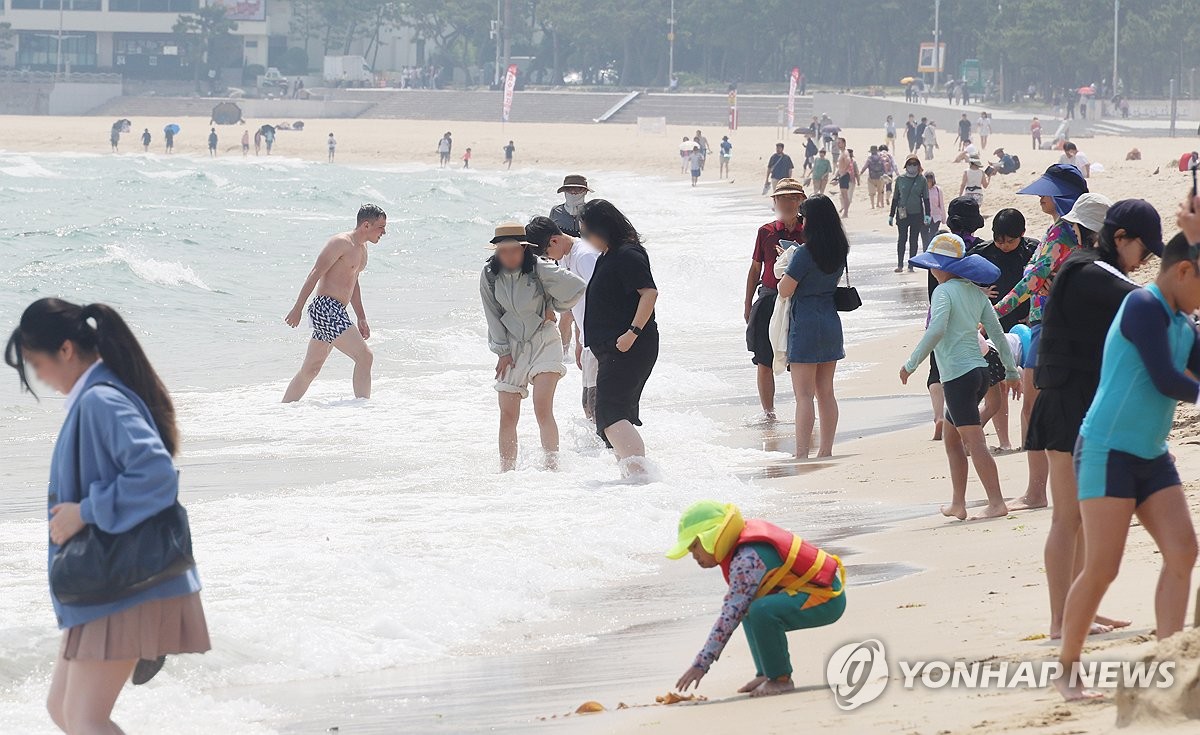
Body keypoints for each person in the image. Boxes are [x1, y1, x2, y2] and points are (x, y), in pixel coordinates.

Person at [5, 298, 210, 734]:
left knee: (84, 719)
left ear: (65, 350)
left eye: (37, 364)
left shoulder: (100, 400)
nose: (39, 377)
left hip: (123, 582)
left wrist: (85, 512)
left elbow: (156, 473)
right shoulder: (95, 397)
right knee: (62, 709)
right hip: (105, 582)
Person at [1056, 206, 1200, 701]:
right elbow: (1166, 378)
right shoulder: (1142, 307)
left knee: (1183, 550)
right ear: (1183, 273)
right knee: (1102, 566)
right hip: (1106, 449)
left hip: (1149, 453)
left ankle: (1168, 664)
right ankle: (1068, 672)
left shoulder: (1185, 320)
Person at [1030, 199, 1160, 643]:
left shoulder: (1100, 271)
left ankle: (1081, 608)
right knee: (1067, 516)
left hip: (1088, 403)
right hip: (1065, 403)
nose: (1145, 260)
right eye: (1144, 249)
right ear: (1117, 237)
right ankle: (1058, 620)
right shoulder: (1086, 269)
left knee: (1084, 516)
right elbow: (1145, 301)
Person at [669, 501, 846, 699]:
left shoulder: (747, 560)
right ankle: (766, 673)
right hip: (810, 592)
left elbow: (729, 616)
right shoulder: (741, 549)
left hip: (826, 598)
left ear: (711, 537)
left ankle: (780, 679)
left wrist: (701, 663)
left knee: (761, 610)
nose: (694, 556)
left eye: (694, 546)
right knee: (750, 608)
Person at [901, 233, 1021, 521]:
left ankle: (996, 502)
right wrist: (1010, 370)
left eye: (932, 264)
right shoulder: (973, 292)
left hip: (958, 376)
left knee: (974, 442)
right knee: (952, 439)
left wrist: (911, 363)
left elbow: (937, 329)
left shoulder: (943, 292)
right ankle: (958, 503)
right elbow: (996, 334)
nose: (931, 269)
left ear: (940, 267)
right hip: (979, 372)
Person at [993, 164, 1089, 510]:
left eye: (1046, 193)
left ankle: (1036, 492)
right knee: (1054, 407)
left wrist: (993, 314)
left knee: (1034, 406)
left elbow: (1031, 283)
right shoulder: (1080, 231)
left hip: (1048, 324)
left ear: (1060, 196)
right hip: (1062, 324)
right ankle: (1050, 488)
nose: (1041, 198)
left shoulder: (1061, 232)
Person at [480, 223, 586, 471]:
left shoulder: (540, 267)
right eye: (503, 251)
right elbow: (492, 314)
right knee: (507, 415)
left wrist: (554, 305)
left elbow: (577, 286)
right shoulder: (489, 274)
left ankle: (552, 468)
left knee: (542, 408)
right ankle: (507, 472)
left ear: (524, 248)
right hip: (511, 346)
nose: (509, 256)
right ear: (496, 251)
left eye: (515, 250)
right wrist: (502, 352)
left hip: (544, 341)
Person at [579, 200, 659, 478]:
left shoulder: (627, 254)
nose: (586, 240)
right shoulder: (610, 255)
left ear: (603, 228)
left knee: (610, 415)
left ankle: (641, 477)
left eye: (587, 234)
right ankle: (632, 475)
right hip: (615, 348)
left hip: (629, 346)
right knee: (612, 414)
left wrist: (632, 333)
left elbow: (649, 294)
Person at [282, 204, 386, 402]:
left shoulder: (362, 250)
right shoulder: (340, 243)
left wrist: (361, 317)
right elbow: (315, 274)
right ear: (366, 225)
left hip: (338, 310)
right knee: (365, 357)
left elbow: (353, 284)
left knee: (311, 369)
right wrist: (298, 308)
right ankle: (364, 411)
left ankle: (283, 409)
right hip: (325, 308)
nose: (384, 232)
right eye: (380, 227)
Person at [777, 195, 848, 459]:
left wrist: (786, 261)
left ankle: (801, 453)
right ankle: (826, 450)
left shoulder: (805, 254)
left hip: (805, 322)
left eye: (804, 218)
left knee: (804, 396)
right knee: (826, 393)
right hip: (830, 319)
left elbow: (785, 289)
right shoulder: (840, 250)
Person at [968, 209, 1039, 450]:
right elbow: (959, 282)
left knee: (1027, 382)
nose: (1004, 245)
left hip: (1026, 325)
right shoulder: (982, 253)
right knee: (997, 385)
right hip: (991, 324)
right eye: (999, 240)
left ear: (1022, 234)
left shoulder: (1033, 250)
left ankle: (1026, 439)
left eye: (1010, 240)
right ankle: (1005, 442)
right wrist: (980, 294)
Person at [526, 216, 602, 422]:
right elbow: (580, 303)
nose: (547, 259)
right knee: (589, 405)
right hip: (589, 339)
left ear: (554, 241)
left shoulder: (585, 256)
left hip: (602, 340)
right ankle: (602, 452)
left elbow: (604, 299)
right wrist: (580, 341)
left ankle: (616, 451)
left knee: (599, 408)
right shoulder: (566, 256)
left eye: (545, 253)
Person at [745, 179, 806, 422]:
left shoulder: (809, 231)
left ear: (801, 200)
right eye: (782, 198)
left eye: (792, 198)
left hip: (800, 301)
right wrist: (747, 304)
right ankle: (768, 413)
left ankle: (804, 409)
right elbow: (755, 269)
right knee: (764, 359)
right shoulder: (766, 232)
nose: (787, 203)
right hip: (769, 298)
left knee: (800, 360)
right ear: (775, 202)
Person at [889, 155, 931, 273]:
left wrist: (927, 214)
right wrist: (891, 215)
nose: (912, 167)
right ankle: (900, 265)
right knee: (902, 239)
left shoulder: (921, 180)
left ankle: (911, 265)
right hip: (902, 214)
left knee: (914, 239)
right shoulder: (900, 179)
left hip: (917, 214)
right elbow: (895, 198)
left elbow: (926, 199)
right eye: (910, 164)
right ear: (906, 166)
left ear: (918, 166)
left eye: (915, 164)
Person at [923, 171, 946, 250]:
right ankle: (925, 253)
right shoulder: (921, 190)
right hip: (924, 216)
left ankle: (932, 251)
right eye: (927, 181)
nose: (929, 183)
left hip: (936, 217)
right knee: (925, 237)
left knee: (933, 235)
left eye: (930, 181)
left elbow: (941, 204)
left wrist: (943, 218)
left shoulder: (937, 190)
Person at [835, 142, 856, 219]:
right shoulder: (843, 157)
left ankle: (845, 211)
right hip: (845, 178)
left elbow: (855, 171)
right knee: (842, 196)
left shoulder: (851, 160)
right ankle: (843, 208)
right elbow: (839, 170)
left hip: (849, 180)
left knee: (847, 196)